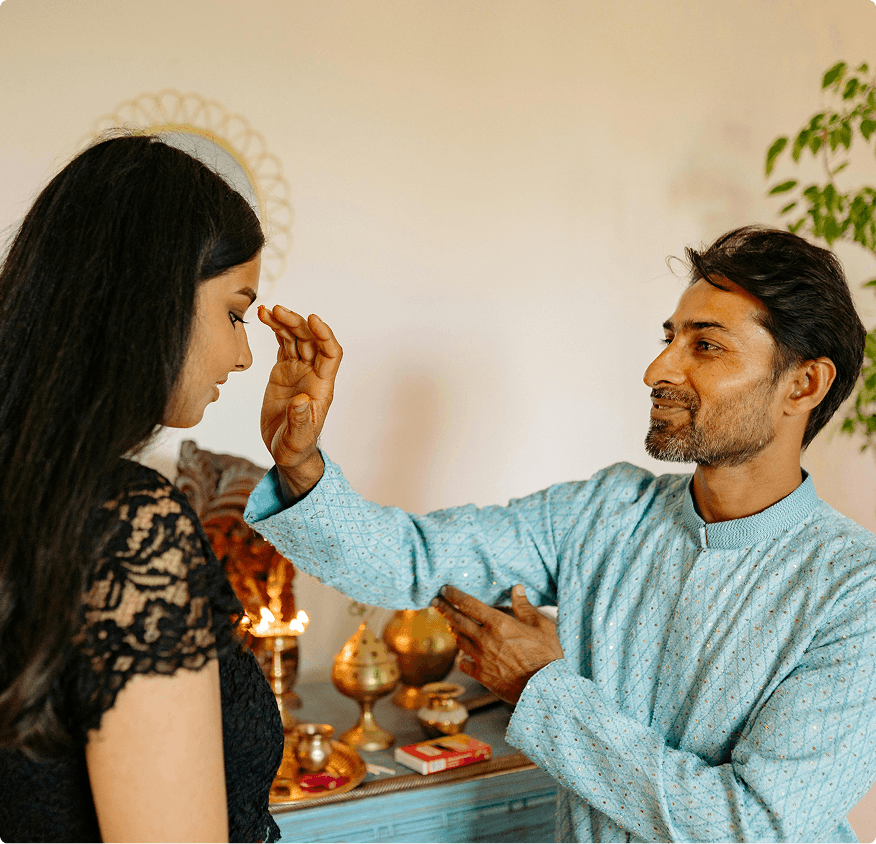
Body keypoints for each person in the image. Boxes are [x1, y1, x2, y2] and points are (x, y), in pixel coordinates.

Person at [246, 225, 876, 843]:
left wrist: (537, 688)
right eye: (669, 338)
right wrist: (301, 465)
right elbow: (412, 561)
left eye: (705, 346)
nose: (658, 368)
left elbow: (750, 826)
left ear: (804, 384)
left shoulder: (855, 590)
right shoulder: (608, 509)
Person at [0, 135, 283, 844]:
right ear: (154, 300)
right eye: (234, 312)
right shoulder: (130, 527)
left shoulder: (29, 499)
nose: (244, 354)